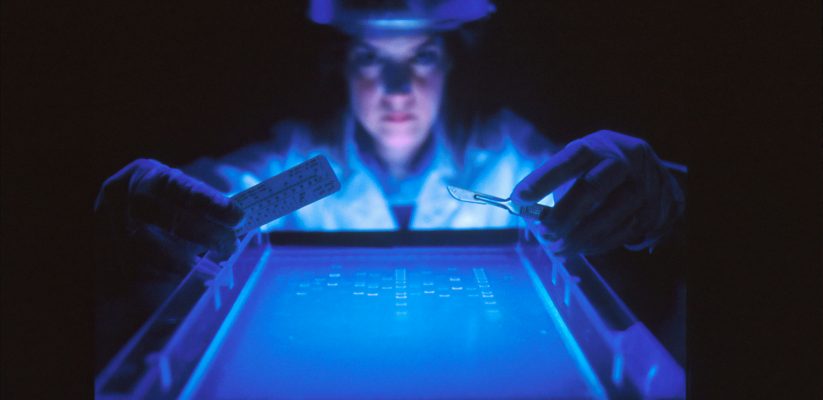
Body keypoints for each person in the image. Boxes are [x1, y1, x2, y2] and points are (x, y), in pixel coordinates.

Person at [94, 0, 685, 367]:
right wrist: (129, 214)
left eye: (422, 56)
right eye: (372, 59)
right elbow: (204, 201)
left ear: (452, 63)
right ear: (343, 66)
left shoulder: (510, 158)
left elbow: (613, 193)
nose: (397, 88)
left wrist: (667, 199)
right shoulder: (290, 164)